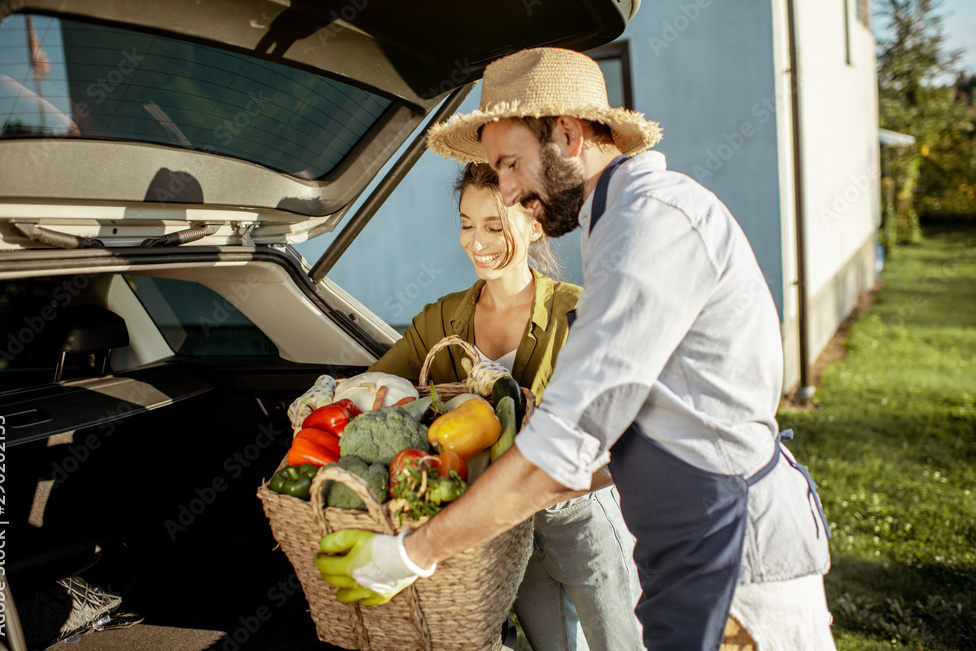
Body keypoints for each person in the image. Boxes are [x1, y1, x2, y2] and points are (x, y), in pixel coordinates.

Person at [316, 47, 836, 651]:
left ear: (565, 135)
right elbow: (625, 431)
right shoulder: (615, 223)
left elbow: (564, 445)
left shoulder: (650, 227)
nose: (505, 193)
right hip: (687, 559)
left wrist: (407, 555)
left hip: (736, 569)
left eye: (510, 165)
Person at [368, 161, 644, 650]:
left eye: (494, 226)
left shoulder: (575, 312)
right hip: (508, 534)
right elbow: (375, 391)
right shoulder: (440, 320)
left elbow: (626, 435)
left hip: (581, 516)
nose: (477, 241)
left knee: (620, 644)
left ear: (535, 224)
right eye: (467, 223)